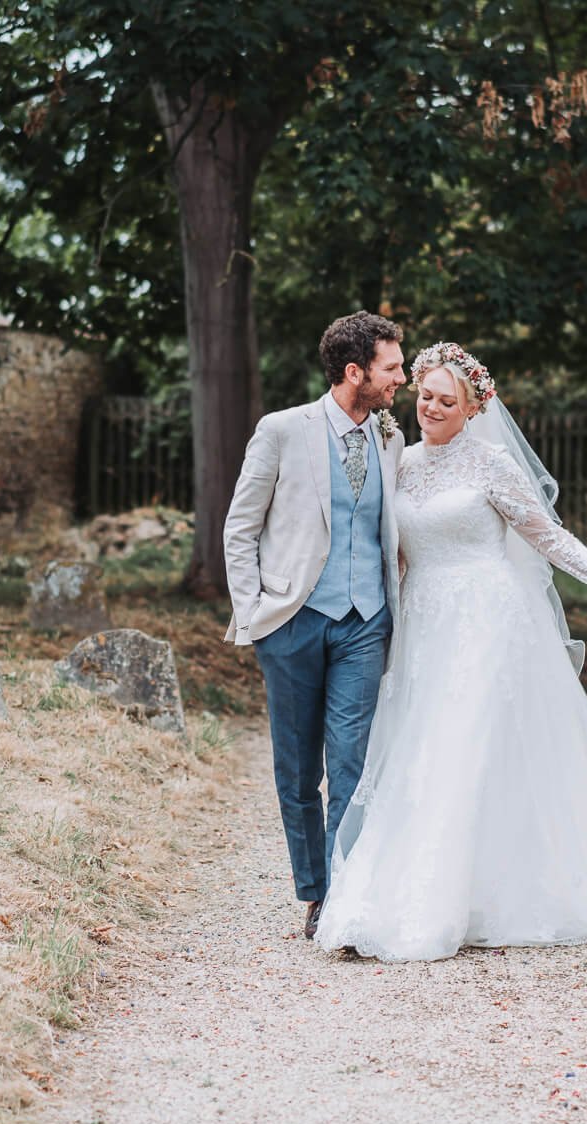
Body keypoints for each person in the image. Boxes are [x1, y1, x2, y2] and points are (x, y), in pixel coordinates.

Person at [314, 341, 587, 962]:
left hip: (486, 622)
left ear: (474, 409)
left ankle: (469, 896)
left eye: (448, 402)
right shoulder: (400, 461)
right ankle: (414, 886)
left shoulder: (493, 464)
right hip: (423, 624)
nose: (432, 408)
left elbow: (547, 537)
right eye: (425, 395)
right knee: (423, 746)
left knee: (467, 744)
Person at [222, 311, 407, 940]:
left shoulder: (390, 438)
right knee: (298, 769)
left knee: (351, 763)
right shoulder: (281, 431)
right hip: (293, 621)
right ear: (354, 372)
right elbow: (240, 527)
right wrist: (254, 614)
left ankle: (346, 896)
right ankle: (314, 889)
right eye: (392, 368)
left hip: (365, 622)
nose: (400, 379)